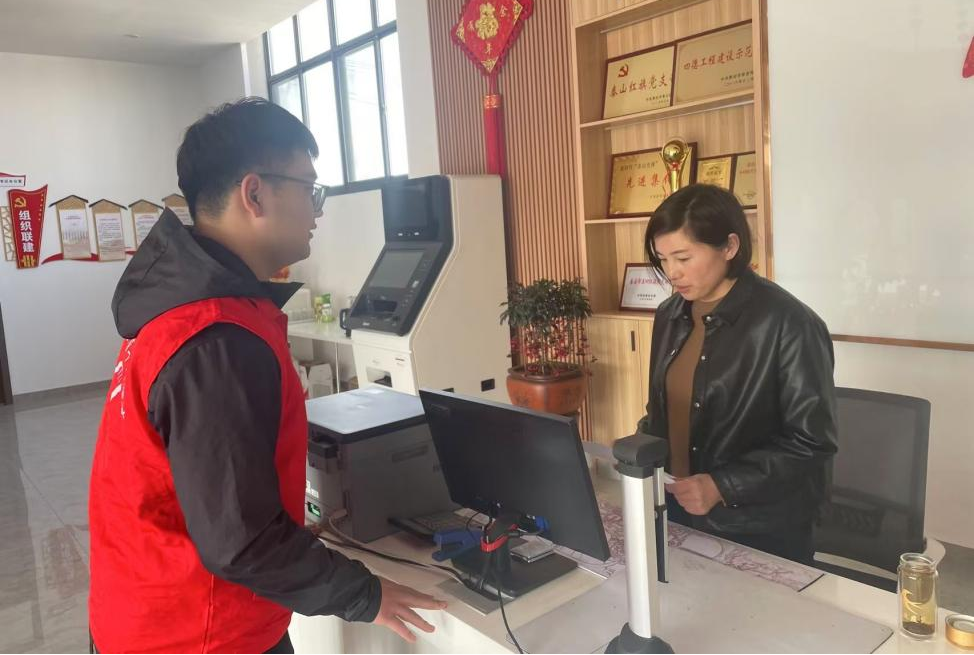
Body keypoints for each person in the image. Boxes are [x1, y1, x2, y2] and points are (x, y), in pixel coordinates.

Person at [88, 98, 446, 654]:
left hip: (145, 607)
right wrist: (364, 594)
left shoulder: (180, 310)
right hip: (199, 633)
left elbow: (210, 488)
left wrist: (284, 527)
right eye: (310, 189)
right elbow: (240, 543)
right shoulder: (216, 339)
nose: (317, 211)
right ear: (254, 194)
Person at [636, 184, 838, 564]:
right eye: (663, 259)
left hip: (757, 526)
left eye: (683, 257)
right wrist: (638, 448)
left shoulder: (789, 324)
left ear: (729, 247)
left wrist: (722, 486)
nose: (672, 272)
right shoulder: (670, 315)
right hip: (676, 507)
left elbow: (811, 442)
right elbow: (663, 409)